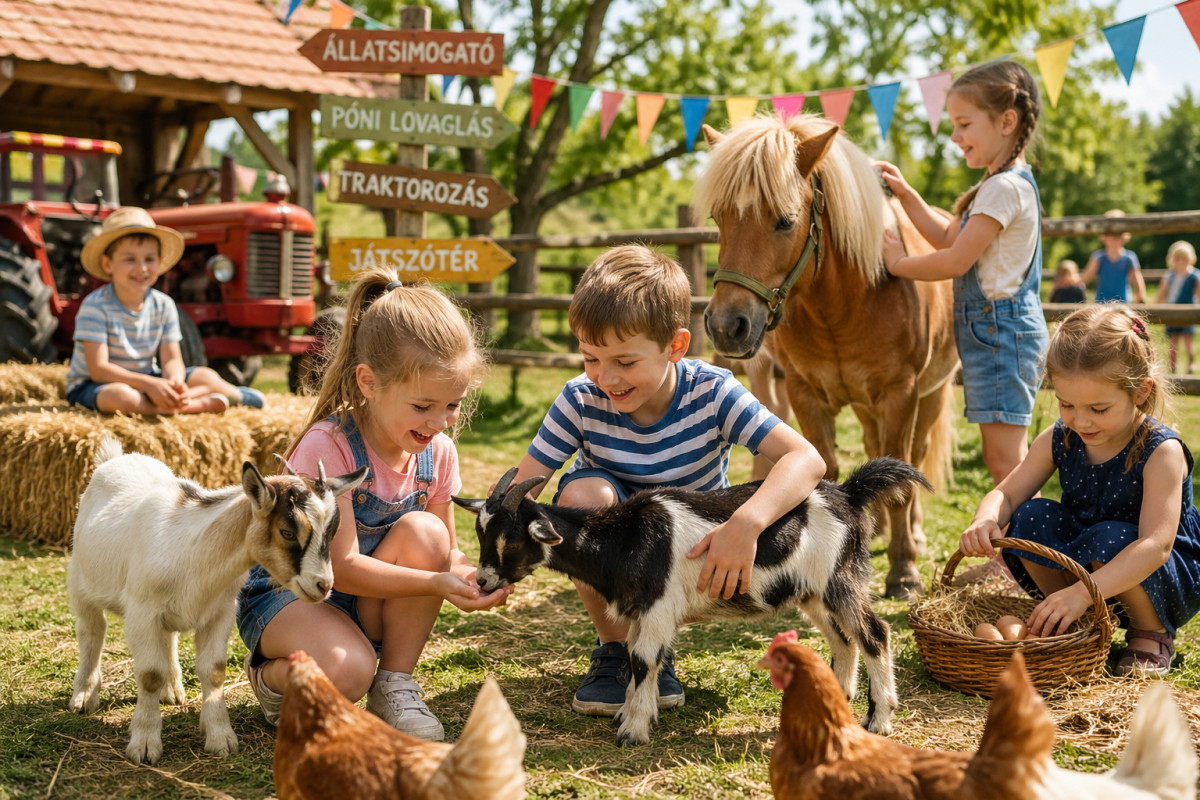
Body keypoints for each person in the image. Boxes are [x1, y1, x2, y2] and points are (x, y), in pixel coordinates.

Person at [506, 245, 826, 717]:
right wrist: (500, 539)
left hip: (684, 551)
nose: (605, 378)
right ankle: (617, 650)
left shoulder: (713, 392)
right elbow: (526, 484)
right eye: (591, 358)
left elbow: (806, 459)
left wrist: (747, 523)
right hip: (616, 543)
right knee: (579, 497)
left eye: (625, 362)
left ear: (675, 346)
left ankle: (657, 645)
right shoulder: (579, 397)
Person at [235, 269, 513, 740]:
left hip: (362, 603)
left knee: (428, 532)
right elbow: (340, 565)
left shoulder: (438, 451)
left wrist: (467, 575)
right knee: (348, 673)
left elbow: (443, 549)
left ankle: (395, 683)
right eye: (423, 406)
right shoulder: (330, 447)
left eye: (452, 405)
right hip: (292, 593)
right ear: (369, 383)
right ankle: (270, 679)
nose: (440, 422)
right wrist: (436, 582)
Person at [960, 305, 1200, 677]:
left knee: (1113, 537)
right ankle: (1078, 623)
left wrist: (1081, 591)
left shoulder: (1161, 451)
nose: (1081, 420)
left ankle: (1150, 634)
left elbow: (1157, 545)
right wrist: (986, 518)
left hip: (1159, 578)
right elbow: (1007, 494)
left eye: (1099, 408)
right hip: (1089, 567)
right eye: (1067, 404)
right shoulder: (1062, 436)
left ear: (1140, 392)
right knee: (1030, 516)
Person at [876, 60, 1049, 490]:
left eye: (964, 124)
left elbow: (955, 261)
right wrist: (907, 194)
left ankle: (1017, 556)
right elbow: (945, 236)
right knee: (1005, 457)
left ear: (1006, 122)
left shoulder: (1004, 189)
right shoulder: (996, 185)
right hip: (996, 334)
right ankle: (1016, 554)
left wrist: (899, 266)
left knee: (1004, 459)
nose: (954, 136)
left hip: (1001, 334)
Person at [65, 206, 265, 414]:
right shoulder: (95, 306)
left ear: (160, 263)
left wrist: (174, 381)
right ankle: (194, 406)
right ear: (108, 264)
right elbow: (99, 370)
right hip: (95, 385)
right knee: (120, 397)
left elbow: (171, 359)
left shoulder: (164, 304)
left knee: (206, 376)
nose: (142, 268)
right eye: (130, 259)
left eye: (149, 259)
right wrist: (149, 385)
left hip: (149, 379)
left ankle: (237, 395)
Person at [1080, 209, 1146, 304]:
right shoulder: (1098, 257)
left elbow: (1136, 278)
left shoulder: (1129, 257)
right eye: (1110, 235)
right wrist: (1072, 281)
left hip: (1123, 302)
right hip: (1102, 302)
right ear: (1104, 236)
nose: (1114, 239)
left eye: (1118, 235)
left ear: (1124, 236)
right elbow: (1087, 277)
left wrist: (1140, 294)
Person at [1154, 241, 1200, 374]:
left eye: (1183, 259)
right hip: (1172, 312)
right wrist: (1154, 308)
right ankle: (1173, 366)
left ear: (1189, 259)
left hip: (1188, 312)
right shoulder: (1170, 275)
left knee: (1188, 340)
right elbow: (1162, 293)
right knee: (1173, 341)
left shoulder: (1194, 276)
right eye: (1177, 258)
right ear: (1173, 259)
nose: (1180, 262)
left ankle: (1191, 364)